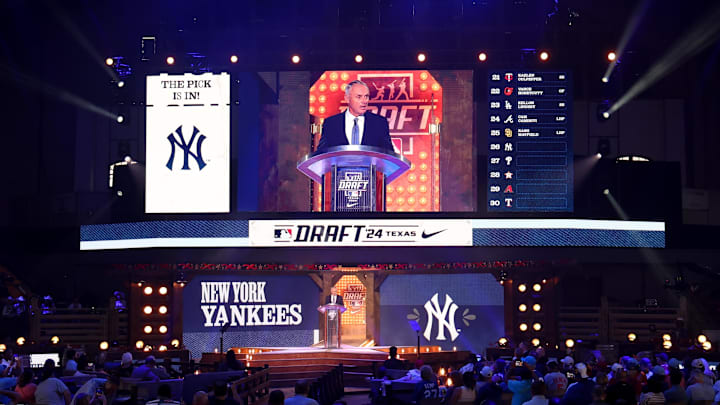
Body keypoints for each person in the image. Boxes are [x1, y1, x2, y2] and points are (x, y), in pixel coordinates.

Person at [316, 80, 394, 152]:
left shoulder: (379, 123)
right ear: (347, 98)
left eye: (366, 96)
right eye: (359, 97)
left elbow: (389, 155)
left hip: (370, 167)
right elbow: (322, 154)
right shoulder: (331, 123)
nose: (364, 101)